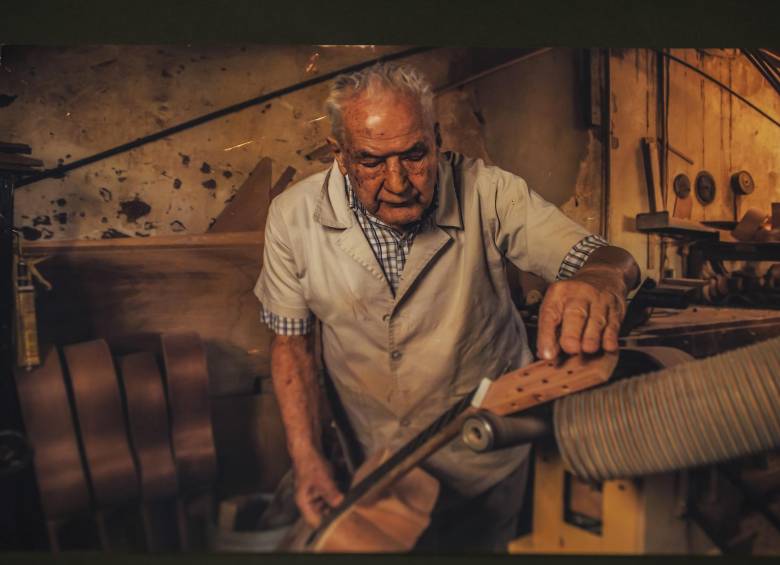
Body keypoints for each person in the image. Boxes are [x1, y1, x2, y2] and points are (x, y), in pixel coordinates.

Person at [254, 62, 640, 551]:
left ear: (436, 138)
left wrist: (602, 277)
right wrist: (306, 456)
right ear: (340, 155)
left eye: (414, 154)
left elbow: (604, 257)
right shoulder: (292, 218)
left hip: (484, 457)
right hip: (376, 464)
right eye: (372, 161)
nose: (397, 182)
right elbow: (291, 343)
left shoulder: (491, 192)